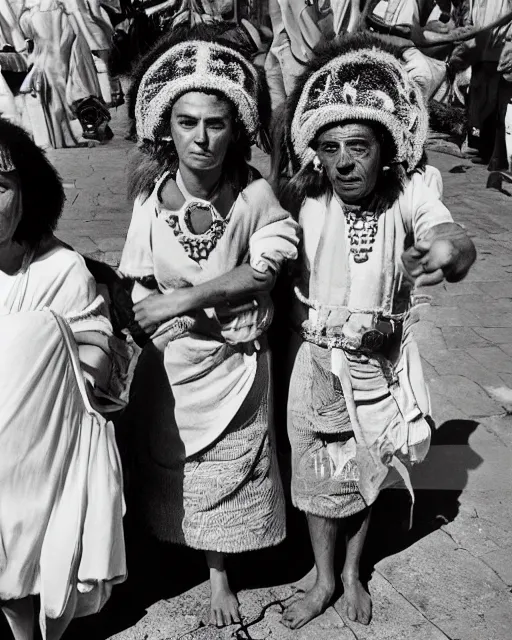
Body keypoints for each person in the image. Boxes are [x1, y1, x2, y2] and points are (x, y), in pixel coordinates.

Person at [273, 33, 476, 629]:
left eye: (358, 147)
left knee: (369, 467)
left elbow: (451, 237)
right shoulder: (305, 200)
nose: (343, 162)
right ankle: (324, 576)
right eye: (330, 147)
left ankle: (355, 572)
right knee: (315, 470)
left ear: (384, 150)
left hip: (379, 361)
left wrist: (447, 252)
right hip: (312, 358)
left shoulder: (410, 192)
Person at [119, 26, 300, 627]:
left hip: (237, 359)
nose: (202, 137)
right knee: (179, 465)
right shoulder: (151, 202)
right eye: (188, 122)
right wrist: (155, 315)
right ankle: (183, 555)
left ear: (235, 128)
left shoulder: (252, 193)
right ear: (167, 130)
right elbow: (140, 282)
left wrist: (180, 303)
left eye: (215, 123)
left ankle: (221, 574)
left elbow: (262, 273)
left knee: (229, 464)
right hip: (177, 363)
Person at [0, 117, 127, 640]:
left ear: (26, 194)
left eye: (0, 185)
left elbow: (93, 374)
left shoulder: (62, 271)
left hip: (40, 454)